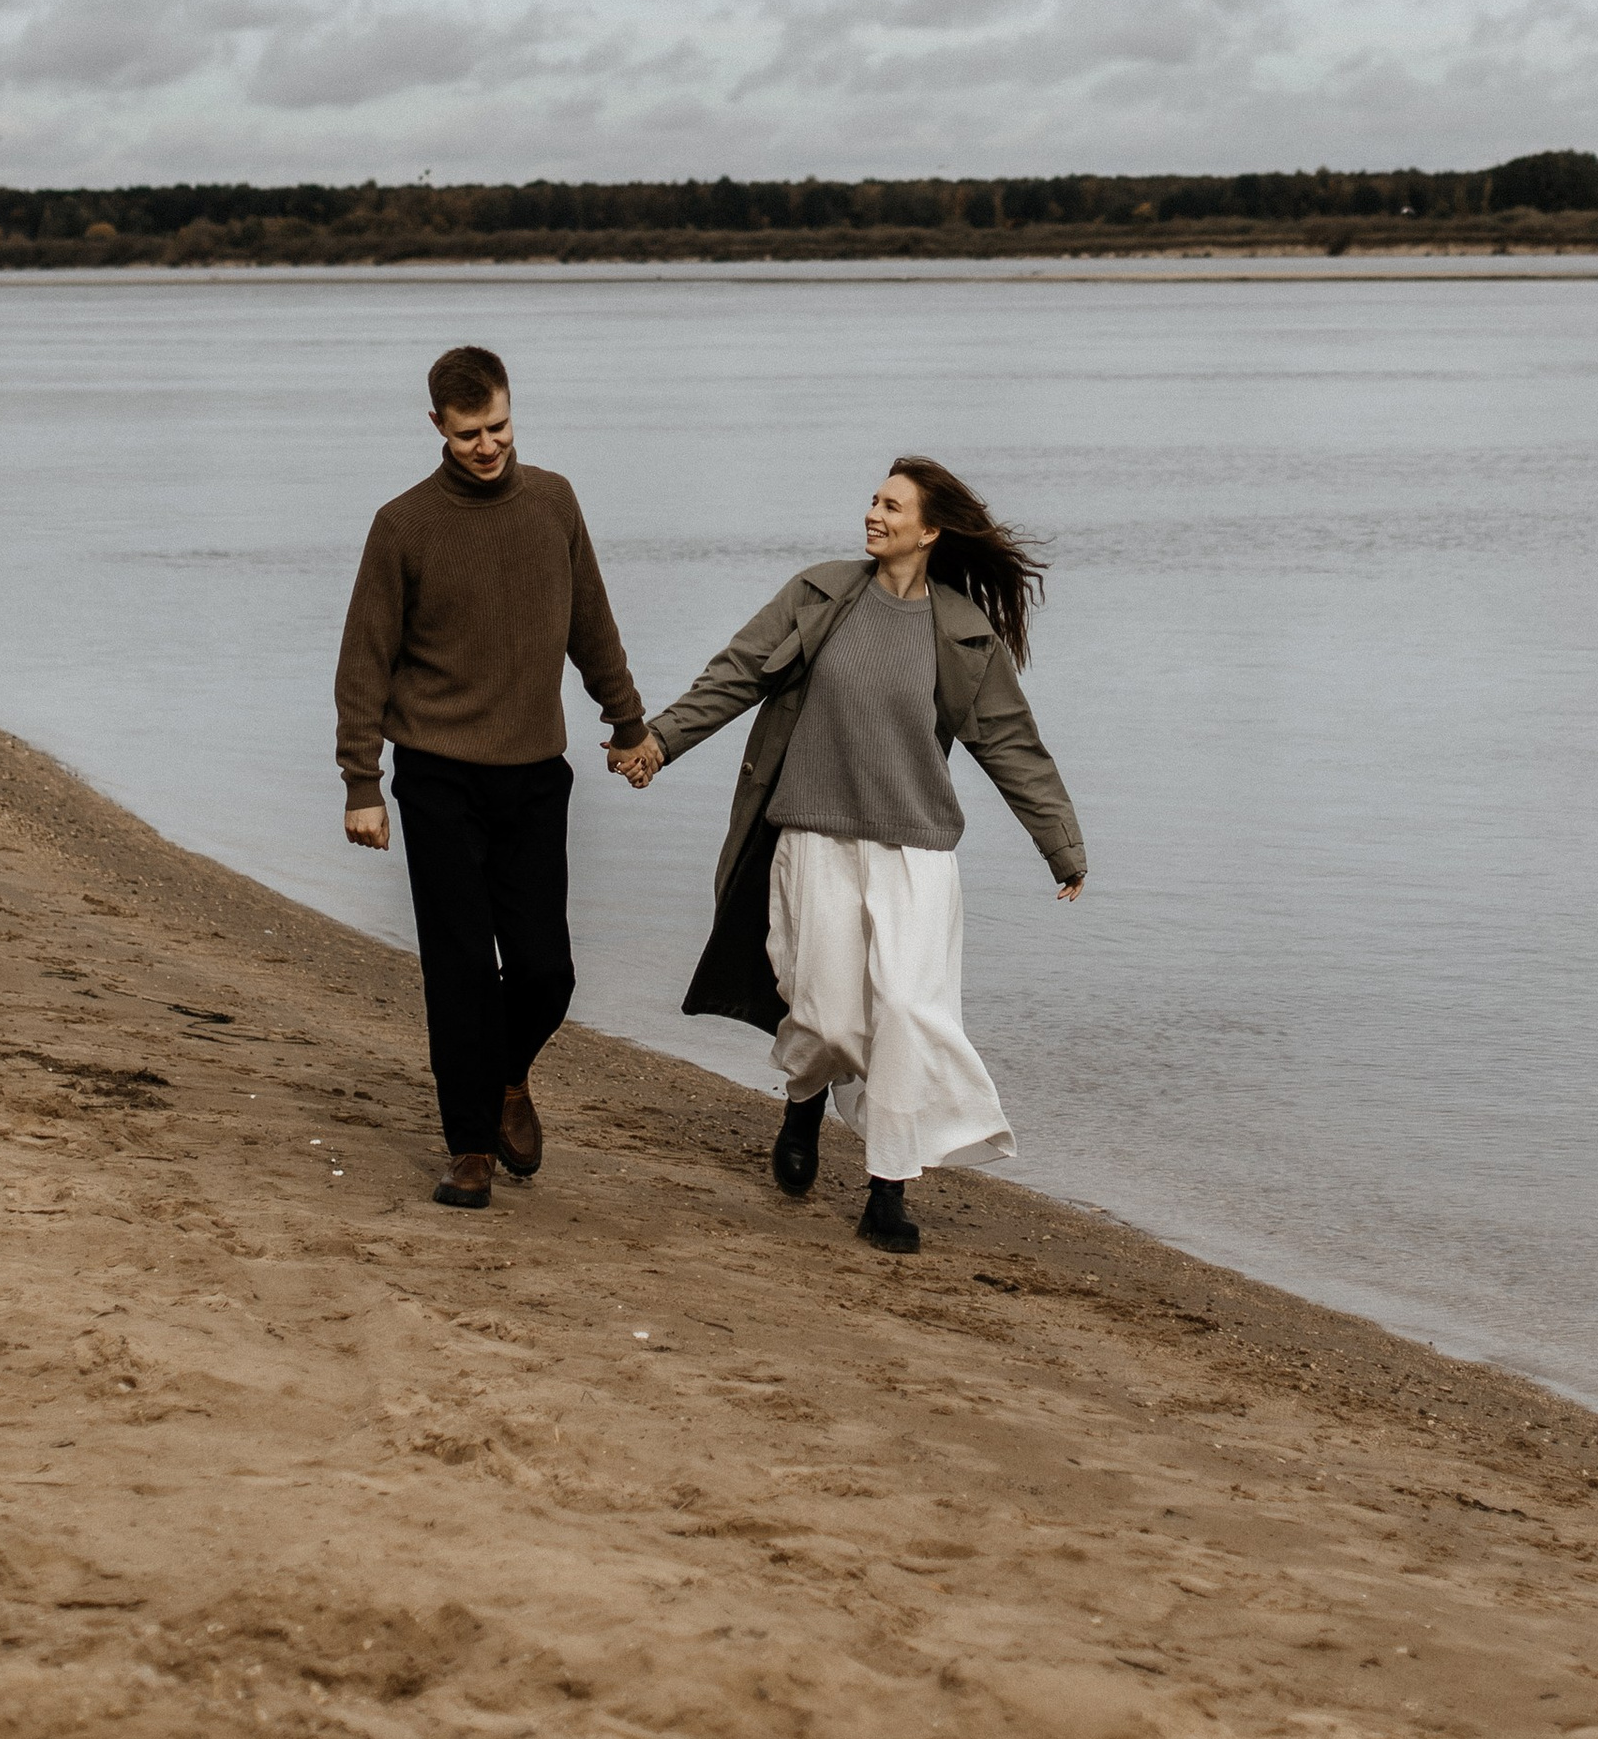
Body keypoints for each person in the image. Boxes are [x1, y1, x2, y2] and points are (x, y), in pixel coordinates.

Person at [612, 454, 1084, 1255]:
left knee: (904, 1013)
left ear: (929, 531)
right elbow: (736, 675)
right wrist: (660, 741)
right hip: (814, 836)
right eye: (873, 500)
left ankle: (887, 1189)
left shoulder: (961, 633)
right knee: (827, 1017)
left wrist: (1060, 845)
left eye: (892, 507)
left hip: (916, 853)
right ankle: (804, 1100)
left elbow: (1009, 742)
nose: (874, 515)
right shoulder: (821, 595)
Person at [333, 344, 647, 1211]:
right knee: (462, 967)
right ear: (437, 426)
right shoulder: (403, 525)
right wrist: (361, 782)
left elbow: (592, 621)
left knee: (548, 971)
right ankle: (469, 1145)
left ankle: (508, 1076)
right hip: (435, 775)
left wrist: (627, 723)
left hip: (536, 772)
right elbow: (365, 660)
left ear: (513, 411)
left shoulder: (553, 502)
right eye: (469, 432)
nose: (487, 445)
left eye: (499, 426)